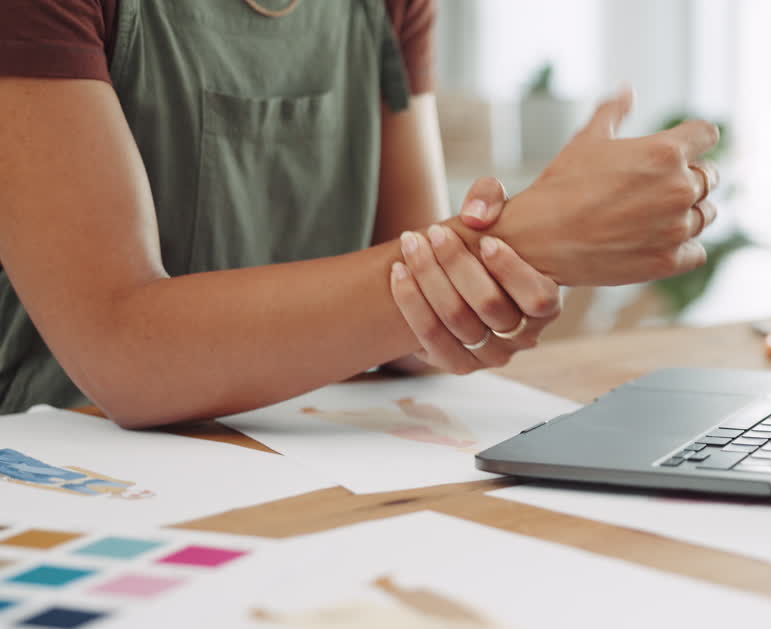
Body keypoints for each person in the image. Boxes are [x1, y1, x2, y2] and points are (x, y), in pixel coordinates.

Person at [0, 0, 720, 427]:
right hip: (69, 469)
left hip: (296, 451)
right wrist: (527, 235)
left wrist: (484, 284)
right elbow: (121, 347)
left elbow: (410, 328)